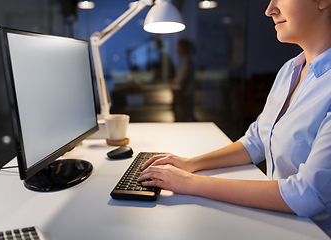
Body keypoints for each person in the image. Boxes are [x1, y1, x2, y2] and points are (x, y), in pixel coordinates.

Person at [138, 0, 331, 221]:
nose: (270, 10)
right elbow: (256, 140)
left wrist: (189, 182)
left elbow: (308, 195)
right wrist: (190, 163)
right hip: (282, 222)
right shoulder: (290, 70)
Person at [172, 39, 197, 122]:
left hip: (185, 96)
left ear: (184, 48)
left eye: (178, 47)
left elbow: (179, 81)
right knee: (186, 116)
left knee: (186, 117)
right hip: (185, 95)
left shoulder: (188, 62)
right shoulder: (187, 61)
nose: (176, 50)